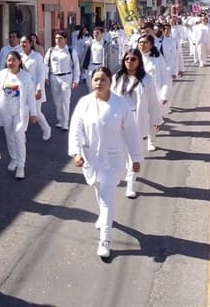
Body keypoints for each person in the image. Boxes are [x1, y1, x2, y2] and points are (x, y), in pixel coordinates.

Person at [69, 66, 142, 259]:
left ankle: (105, 240)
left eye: (103, 80)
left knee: (107, 197)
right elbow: (76, 129)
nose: (99, 83)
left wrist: (136, 158)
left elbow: (131, 133)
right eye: (96, 80)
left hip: (113, 158)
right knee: (98, 187)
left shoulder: (120, 105)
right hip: (90, 158)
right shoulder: (84, 103)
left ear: (110, 82)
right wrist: (76, 152)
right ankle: (103, 216)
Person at [111, 49, 163, 198]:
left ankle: (130, 183)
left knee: (134, 153)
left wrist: (156, 120)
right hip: (119, 118)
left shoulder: (146, 79)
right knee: (120, 151)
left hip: (136, 119)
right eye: (127, 59)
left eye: (133, 59)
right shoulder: (117, 78)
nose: (129, 61)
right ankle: (126, 172)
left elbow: (153, 102)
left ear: (139, 61)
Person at [0, 51, 37, 180]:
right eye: (9, 60)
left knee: (18, 135)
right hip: (5, 110)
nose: (11, 63)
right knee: (9, 136)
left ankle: (20, 165)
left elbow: (30, 96)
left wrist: (33, 113)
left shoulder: (25, 76)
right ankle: (13, 158)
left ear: (19, 61)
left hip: (20, 112)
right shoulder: (2, 74)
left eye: (14, 60)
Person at [137, 35, 169, 151]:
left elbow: (165, 77)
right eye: (140, 43)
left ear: (151, 45)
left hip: (154, 93)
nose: (142, 45)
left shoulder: (157, 58)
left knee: (150, 118)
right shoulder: (134, 58)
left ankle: (151, 140)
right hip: (136, 94)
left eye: (145, 43)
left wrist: (164, 95)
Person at [44, 31, 80, 131]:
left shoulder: (71, 51)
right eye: (56, 38)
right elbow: (45, 64)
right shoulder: (51, 51)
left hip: (66, 77)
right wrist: (45, 77)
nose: (58, 40)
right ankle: (60, 120)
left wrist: (76, 80)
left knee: (65, 100)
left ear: (65, 39)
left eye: (60, 38)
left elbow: (76, 66)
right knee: (57, 101)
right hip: (54, 77)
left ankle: (65, 122)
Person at [20, 35, 51, 141]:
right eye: (21, 42)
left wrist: (39, 89)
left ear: (31, 43)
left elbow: (41, 74)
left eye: (25, 42)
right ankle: (22, 134)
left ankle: (46, 128)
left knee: (36, 112)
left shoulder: (37, 57)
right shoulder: (19, 57)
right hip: (23, 89)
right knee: (22, 112)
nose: (22, 44)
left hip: (35, 88)